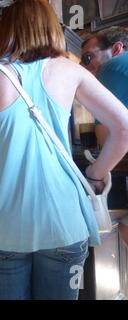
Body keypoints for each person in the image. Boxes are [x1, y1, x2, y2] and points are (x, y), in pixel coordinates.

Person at [0, 0, 128, 300]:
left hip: (3, 227)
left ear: (6, 32)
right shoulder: (70, 70)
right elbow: (124, 129)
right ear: (51, 27)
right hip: (64, 224)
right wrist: (94, 172)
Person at [81, 26, 128, 247]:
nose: (85, 66)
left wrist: (95, 174)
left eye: (89, 57)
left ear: (117, 48)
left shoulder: (112, 68)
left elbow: (107, 135)